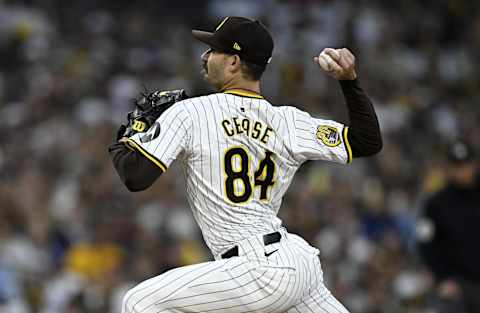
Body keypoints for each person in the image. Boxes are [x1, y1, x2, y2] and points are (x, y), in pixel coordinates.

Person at [108, 16, 382, 313]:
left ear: (234, 62)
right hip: (297, 265)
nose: (205, 56)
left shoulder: (191, 112)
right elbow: (367, 141)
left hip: (256, 271)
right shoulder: (287, 120)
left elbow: (135, 176)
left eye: (213, 50)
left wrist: (129, 135)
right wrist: (349, 82)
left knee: (138, 302)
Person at [417, 141, 480, 313]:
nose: (462, 171)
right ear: (449, 168)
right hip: (457, 286)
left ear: (475, 164)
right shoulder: (435, 204)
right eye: (457, 166)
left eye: (466, 165)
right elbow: (424, 242)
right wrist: (441, 278)